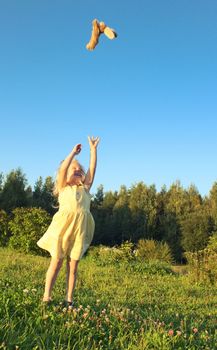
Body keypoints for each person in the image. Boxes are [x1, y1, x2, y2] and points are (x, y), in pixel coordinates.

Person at [37, 136, 100, 307]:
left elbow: (92, 169)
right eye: (74, 169)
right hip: (62, 230)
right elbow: (64, 168)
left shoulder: (85, 188)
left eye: (80, 169)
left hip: (79, 231)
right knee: (56, 262)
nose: (78, 170)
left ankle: (69, 300)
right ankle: (46, 296)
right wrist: (72, 154)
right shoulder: (64, 187)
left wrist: (93, 150)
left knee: (73, 267)